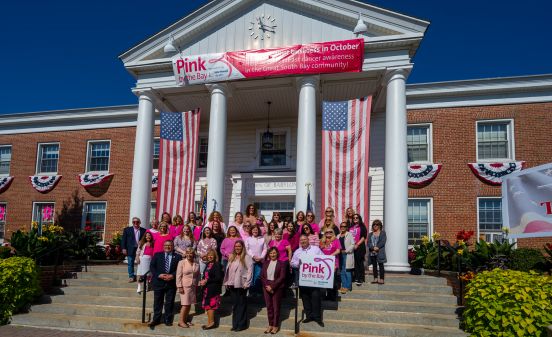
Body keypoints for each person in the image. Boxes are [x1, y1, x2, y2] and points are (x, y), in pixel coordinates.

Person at [291, 235, 324, 327]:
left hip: (314, 279)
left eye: (304, 239)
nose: (303, 241)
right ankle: (309, 316)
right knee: (305, 298)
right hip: (303, 278)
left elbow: (323, 258)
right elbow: (292, 263)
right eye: (301, 240)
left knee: (316, 297)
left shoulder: (316, 249)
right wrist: (298, 263)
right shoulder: (297, 252)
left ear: (308, 240)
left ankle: (317, 318)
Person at [148, 240, 182, 330]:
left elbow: (180, 269)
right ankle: (156, 319)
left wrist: (172, 275)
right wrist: (159, 275)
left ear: (172, 246)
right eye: (166, 245)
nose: (168, 247)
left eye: (170, 245)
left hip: (171, 283)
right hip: (159, 282)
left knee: (169, 302)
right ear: (163, 246)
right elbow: (152, 267)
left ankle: (168, 319)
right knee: (158, 302)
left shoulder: (178, 257)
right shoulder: (157, 255)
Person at [223, 240, 253, 331]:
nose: (237, 248)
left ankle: (242, 324)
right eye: (236, 246)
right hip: (232, 284)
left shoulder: (247, 257)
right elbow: (228, 270)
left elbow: (250, 271)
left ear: (242, 247)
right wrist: (227, 282)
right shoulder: (232, 257)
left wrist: (247, 283)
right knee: (235, 305)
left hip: (241, 284)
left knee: (241, 304)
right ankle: (235, 324)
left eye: (239, 246)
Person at [261, 247, 287, 334]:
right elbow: (262, 276)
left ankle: (275, 325)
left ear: (277, 254)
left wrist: (272, 286)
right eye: (271, 253)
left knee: (276, 307)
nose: (273, 254)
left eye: (274, 253)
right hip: (266, 287)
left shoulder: (281, 263)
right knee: (269, 307)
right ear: (269, 254)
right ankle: (270, 324)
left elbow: (282, 277)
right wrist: (267, 286)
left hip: (277, 287)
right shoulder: (265, 263)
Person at [176, 247, 200, 328]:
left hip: (193, 286)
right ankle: (181, 321)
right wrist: (179, 286)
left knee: (189, 304)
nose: (189, 255)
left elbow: (198, 275)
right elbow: (178, 275)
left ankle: (185, 320)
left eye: (191, 253)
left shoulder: (196, 263)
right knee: (185, 304)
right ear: (186, 254)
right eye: (188, 253)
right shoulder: (181, 262)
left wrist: (198, 284)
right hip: (184, 286)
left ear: (193, 254)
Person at [199, 249, 223, 330]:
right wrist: (202, 280)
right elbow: (206, 276)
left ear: (215, 256)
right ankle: (209, 322)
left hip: (213, 289)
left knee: (211, 306)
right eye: (209, 255)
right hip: (207, 289)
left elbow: (218, 278)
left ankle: (211, 323)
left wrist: (206, 281)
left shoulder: (217, 265)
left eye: (212, 255)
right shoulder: (208, 264)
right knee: (208, 306)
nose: (210, 256)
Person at [121, 217, 146, 282]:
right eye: (134, 222)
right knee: (130, 263)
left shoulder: (144, 230)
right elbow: (124, 239)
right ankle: (131, 276)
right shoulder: (127, 230)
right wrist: (123, 248)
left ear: (140, 223)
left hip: (140, 249)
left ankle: (140, 276)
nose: (135, 223)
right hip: (130, 249)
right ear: (132, 223)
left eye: (137, 222)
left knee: (140, 263)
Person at [320, 229, 342, 301]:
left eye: (330, 232)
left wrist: (329, 257)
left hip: (333, 263)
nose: (328, 233)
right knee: (325, 280)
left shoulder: (336, 240)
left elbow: (338, 251)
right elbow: (319, 251)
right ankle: (325, 296)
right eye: (327, 232)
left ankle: (332, 297)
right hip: (323, 264)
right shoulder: (322, 241)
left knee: (332, 281)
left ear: (333, 233)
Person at [245, 224, 267, 297]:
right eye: (253, 229)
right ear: (251, 231)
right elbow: (247, 249)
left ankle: (258, 291)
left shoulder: (262, 239)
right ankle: (251, 292)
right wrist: (253, 256)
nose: (255, 230)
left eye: (256, 229)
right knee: (250, 276)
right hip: (251, 260)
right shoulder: (248, 239)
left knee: (258, 276)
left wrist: (261, 257)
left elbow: (265, 249)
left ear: (258, 231)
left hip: (260, 261)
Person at [350, 214, 368, 286]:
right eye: (354, 218)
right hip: (352, 247)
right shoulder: (350, 227)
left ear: (359, 219)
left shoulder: (362, 227)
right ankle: (355, 277)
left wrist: (357, 244)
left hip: (359, 247)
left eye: (357, 217)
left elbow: (363, 237)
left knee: (359, 263)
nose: (355, 219)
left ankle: (361, 278)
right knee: (354, 263)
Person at [368, 219, 387, 285]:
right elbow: (368, 243)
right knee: (374, 266)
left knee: (381, 265)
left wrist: (377, 247)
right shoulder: (370, 234)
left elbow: (383, 241)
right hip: (372, 252)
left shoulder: (383, 233)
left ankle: (381, 279)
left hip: (380, 252)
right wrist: (373, 248)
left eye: (377, 224)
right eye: (374, 224)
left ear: (380, 226)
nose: (375, 226)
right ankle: (375, 278)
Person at [338, 221, 355, 293]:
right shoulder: (338, 236)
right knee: (341, 271)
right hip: (339, 254)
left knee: (347, 270)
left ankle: (348, 287)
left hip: (347, 254)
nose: (342, 227)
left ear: (346, 227)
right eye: (341, 226)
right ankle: (344, 286)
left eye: (344, 226)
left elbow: (353, 244)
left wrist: (346, 251)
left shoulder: (349, 234)